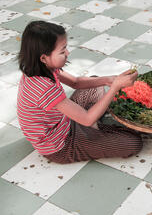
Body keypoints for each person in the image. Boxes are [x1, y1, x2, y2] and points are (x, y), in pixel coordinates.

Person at [16, 21, 143, 164]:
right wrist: (114, 88)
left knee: (95, 83)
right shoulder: (43, 88)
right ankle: (95, 130)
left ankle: (93, 126)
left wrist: (108, 80)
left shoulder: (41, 68)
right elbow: (87, 119)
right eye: (63, 51)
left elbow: (76, 82)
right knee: (134, 142)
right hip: (61, 145)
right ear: (44, 58)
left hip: (64, 120)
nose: (68, 53)